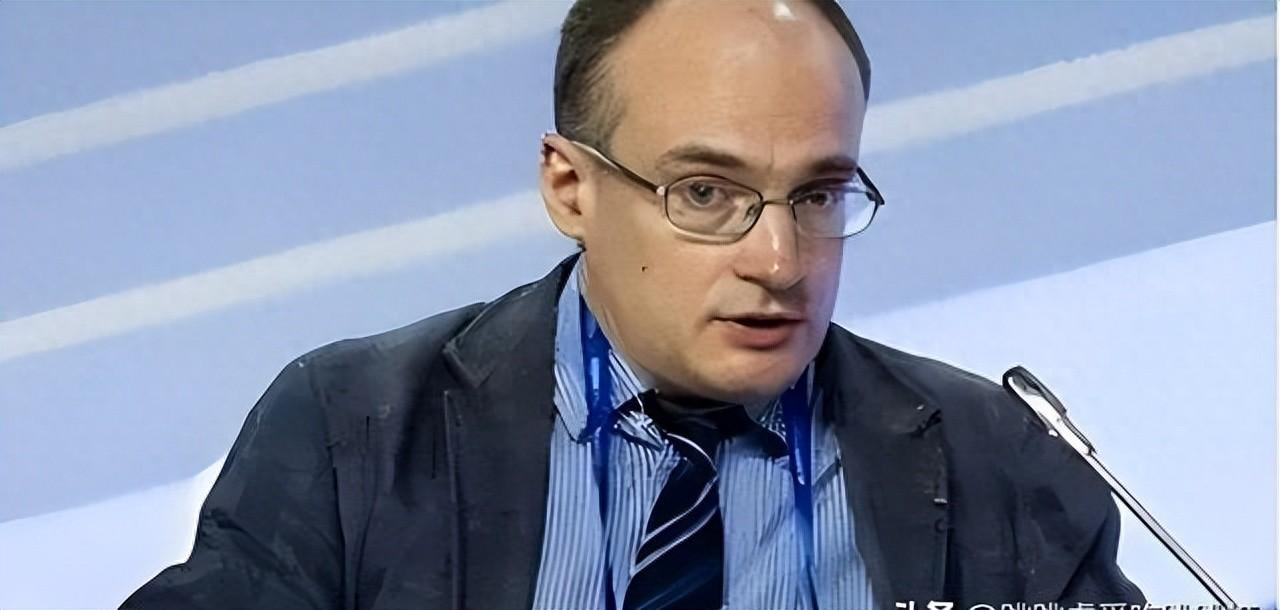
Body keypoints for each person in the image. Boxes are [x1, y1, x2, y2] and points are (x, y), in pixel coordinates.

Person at [123, 1, 1147, 609]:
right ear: (569, 187)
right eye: (705, 194)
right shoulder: (353, 426)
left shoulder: (999, 461)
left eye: (818, 194)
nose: (779, 260)